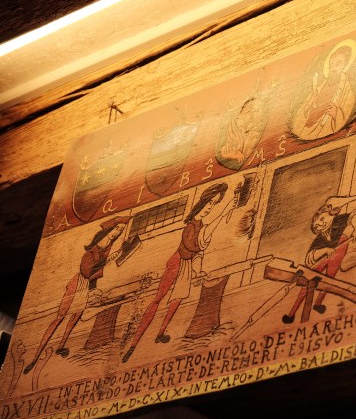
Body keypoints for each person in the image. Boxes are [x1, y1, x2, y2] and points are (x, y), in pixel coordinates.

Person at [122, 183, 231, 363]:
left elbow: (198, 252)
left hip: (187, 264)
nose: (210, 207)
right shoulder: (192, 224)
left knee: (177, 300)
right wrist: (225, 211)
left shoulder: (201, 224)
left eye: (214, 204)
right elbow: (192, 245)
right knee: (158, 299)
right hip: (177, 261)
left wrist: (198, 269)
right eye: (209, 202)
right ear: (203, 201)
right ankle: (133, 345)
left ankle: (161, 332)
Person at [23, 216, 130, 374]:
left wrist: (119, 252)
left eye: (121, 231)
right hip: (78, 282)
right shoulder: (93, 249)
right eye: (117, 229)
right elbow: (87, 270)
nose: (118, 233)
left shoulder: (106, 248)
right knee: (60, 317)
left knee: (76, 316)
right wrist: (96, 276)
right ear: (109, 230)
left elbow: (101, 266)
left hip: (87, 284)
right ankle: (34, 358)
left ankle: (61, 346)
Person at [282, 204, 356, 324]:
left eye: (322, 219)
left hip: (337, 252)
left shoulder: (337, 221)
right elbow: (310, 257)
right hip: (321, 259)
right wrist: (325, 250)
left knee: (329, 279)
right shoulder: (319, 239)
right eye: (317, 225)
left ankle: (318, 303)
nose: (321, 224)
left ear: (331, 214)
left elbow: (355, 213)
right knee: (308, 283)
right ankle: (291, 314)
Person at [292, 43, 356, 140]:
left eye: (338, 63)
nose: (333, 68)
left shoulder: (346, 92)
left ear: (345, 65)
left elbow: (345, 114)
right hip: (306, 129)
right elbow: (301, 118)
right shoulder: (319, 88)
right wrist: (309, 104)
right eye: (332, 64)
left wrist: (336, 113)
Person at [218, 97, 264, 168]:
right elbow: (223, 153)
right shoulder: (234, 130)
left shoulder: (252, 133)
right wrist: (234, 155)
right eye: (251, 113)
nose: (252, 118)